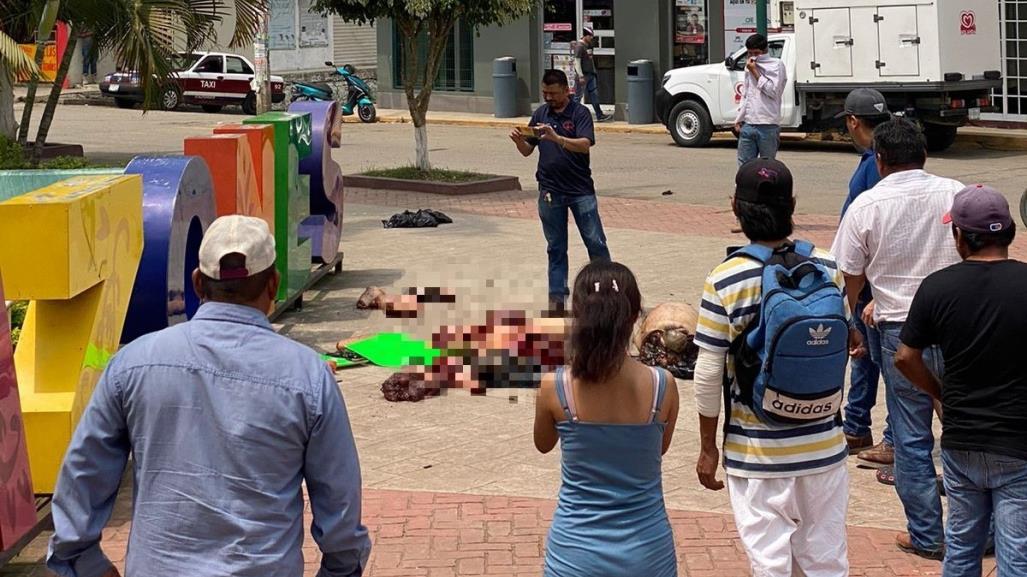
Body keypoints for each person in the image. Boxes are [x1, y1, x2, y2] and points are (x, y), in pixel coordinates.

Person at [46, 215, 371, 577]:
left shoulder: (133, 364)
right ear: (274, 284)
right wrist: (341, 568)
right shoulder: (308, 376)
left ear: (198, 283)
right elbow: (340, 503)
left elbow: (82, 476)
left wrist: (86, 563)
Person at [694, 158, 853, 577]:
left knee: (770, 564)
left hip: (758, 455)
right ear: (793, 204)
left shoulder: (724, 279)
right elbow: (845, 340)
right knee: (825, 561)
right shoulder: (827, 267)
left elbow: (708, 373)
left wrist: (708, 448)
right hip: (824, 446)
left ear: (735, 207)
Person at [831, 117, 965, 560]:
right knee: (966, 427)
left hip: (901, 334)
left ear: (880, 160)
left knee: (911, 436)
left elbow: (848, 276)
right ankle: (973, 532)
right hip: (960, 327)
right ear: (924, 155)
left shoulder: (866, 206)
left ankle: (927, 536)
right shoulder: (956, 193)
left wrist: (853, 321)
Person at [895, 185, 1027, 577]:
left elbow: (904, 357)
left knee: (962, 547)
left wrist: (939, 394)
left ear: (961, 236)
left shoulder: (938, 286)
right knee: (1016, 555)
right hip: (1018, 442)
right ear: (1008, 233)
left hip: (961, 439)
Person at [534, 260, 679, 577]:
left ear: (579, 317)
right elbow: (659, 449)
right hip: (648, 554)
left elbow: (543, 444)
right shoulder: (662, 385)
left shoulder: (555, 386)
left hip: (575, 555)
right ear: (634, 315)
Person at [510, 69, 612, 314]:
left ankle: (607, 293)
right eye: (545, 93)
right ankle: (557, 301)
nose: (548, 98)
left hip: (580, 191)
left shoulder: (580, 113)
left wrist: (557, 139)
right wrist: (518, 141)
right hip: (550, 191)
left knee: (595, 243)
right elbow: (527, 151)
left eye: (553, 93)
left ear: (567, 91)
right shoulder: (540, 114)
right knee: (556, 248)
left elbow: (585, 145)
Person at [835, 88, 895, 468]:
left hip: (873, 277)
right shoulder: (873, 158)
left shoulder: (876, 162)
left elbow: (873, 226)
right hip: (869, 275)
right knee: (867, 356)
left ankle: (892, 437)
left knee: (884, 358)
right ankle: (857, 424)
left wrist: (855, 291)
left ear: (853, 122)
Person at [734, 33, 787, 167]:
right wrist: (739, 118)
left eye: (756, 53)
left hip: (767, 125)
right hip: (748, 123)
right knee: (744, 166)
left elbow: (773, 92)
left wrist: (755, 72)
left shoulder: (776, 65)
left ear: (764, 51)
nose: (752, 57)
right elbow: (747, 94)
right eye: (749, 53)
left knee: (766, 167)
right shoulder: (750, 66)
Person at [573, 29, 612, 122]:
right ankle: (571, 115)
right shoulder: (579, 47)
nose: (591, 38)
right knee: (578, 97)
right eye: (590, 36)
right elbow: (576, 62)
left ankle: (599, 115)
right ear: (585, 36)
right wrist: (580, 76)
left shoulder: (588, 45)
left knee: (594, 95)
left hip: (591, 75)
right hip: (583, 75)